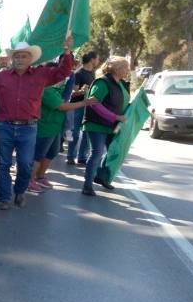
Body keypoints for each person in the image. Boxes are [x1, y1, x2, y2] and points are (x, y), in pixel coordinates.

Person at [0, 36, 77, 210]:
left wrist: (67, 51)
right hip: (5, 126)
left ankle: (19, 191)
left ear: (30, 59)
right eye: (17, 56)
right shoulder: (2, 77)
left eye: (24, 56)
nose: (20, 59)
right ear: (12, 59)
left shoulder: (41, 74)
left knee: (26, 164)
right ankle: (4, 198)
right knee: (3, 163)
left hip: (29, 127)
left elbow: (63, 72)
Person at [30, 80, 97, 192]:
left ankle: (40, 177)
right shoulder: (46, 90)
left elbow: (68, 93)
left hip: (56, 127)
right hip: (45, 128)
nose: (60, 78)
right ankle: (29, 180)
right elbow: (61, 106)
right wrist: (85, 102)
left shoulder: (55, 89)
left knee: (52, 152)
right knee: (38, 155)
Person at [81, 58, 131, 197]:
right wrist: (115, 117)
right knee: (97, 153)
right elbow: (94, 103)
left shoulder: (120, 83)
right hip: (96, 124)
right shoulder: (102, 82)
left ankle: (101, 177)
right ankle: (87, 185)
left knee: (112, 152)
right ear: (117, 68)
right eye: (126, 67)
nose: (128, 70)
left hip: (112, 125)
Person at [66, 51, 98, 165]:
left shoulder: (93, 73)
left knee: (86, 132)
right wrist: (82, 91)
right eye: (97, 58)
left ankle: (82, 157)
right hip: (77, 106)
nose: (98, 61)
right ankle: (70, 156)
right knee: (74, 133)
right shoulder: (78, 73)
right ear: (92, 60)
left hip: (88, 107)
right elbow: (73, 93)